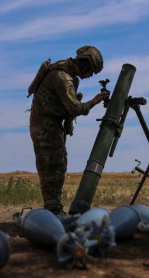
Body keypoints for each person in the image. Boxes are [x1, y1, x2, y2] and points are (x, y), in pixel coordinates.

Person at [28, 46, 110, 215]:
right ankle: (52, 210)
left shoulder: (69, 75)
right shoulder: (63, 77)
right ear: (85, 64)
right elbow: (75, 108)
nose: (91, 76)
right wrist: (94, 101)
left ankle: (53, 209)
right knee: (52, 167)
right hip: (45, 127)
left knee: (58, 164)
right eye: (91, 71)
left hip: (51, 125)